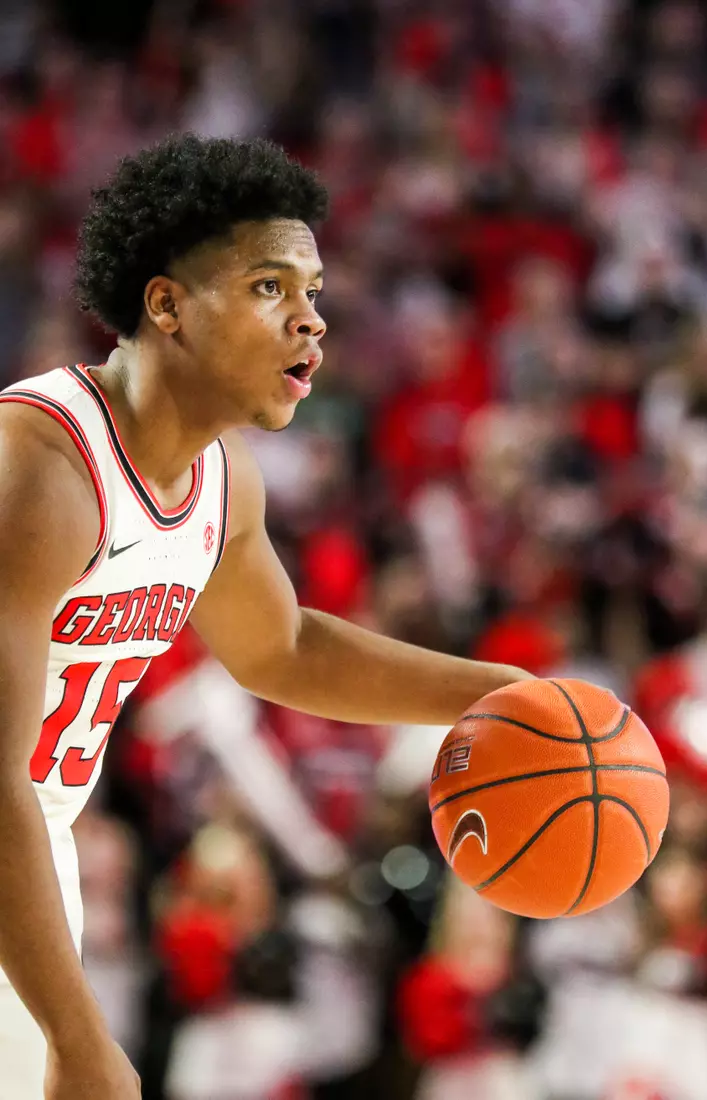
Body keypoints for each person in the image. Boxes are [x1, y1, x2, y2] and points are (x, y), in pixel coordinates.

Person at [0, 134, 532, 1099]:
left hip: (31, 844)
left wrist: (501, 694)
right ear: (166, 305)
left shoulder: (219, 477)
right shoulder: (35, 471)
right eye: (267, 288)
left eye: (314, 293)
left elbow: (280, 648)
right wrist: (78, 1036)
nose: (310, 323)